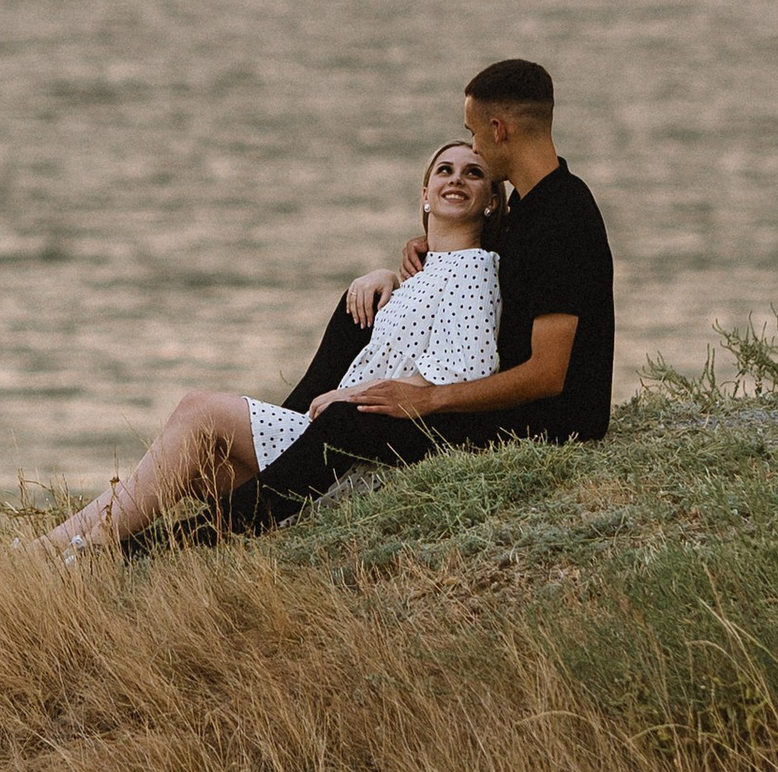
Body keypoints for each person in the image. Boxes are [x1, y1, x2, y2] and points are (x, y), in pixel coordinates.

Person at [44, 140, 505, 559]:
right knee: (200, 465)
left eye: (474, 173)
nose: (456, 179)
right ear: (425, 194)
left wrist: (349, 395)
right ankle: (65, 550)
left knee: (200, 409)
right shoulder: (425, 273)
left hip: (356, 456)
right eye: (444, 170)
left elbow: (463, 372)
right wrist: (385, 276)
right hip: (327, 443)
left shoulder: (476, 269)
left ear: (492, 201)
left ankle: (85, 548)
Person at [234, 58, 615, 526]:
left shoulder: (561, 219)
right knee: (358, 322)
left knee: (348, 420)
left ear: (498, 130)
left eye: (473, 133)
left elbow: (547, 376)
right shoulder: (529, 206)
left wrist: (430, 400)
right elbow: (486, 263)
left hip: (544, 425)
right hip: (507, 407)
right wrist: (417, 256)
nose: (474, 146)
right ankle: (265, 464)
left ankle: (224, 527)